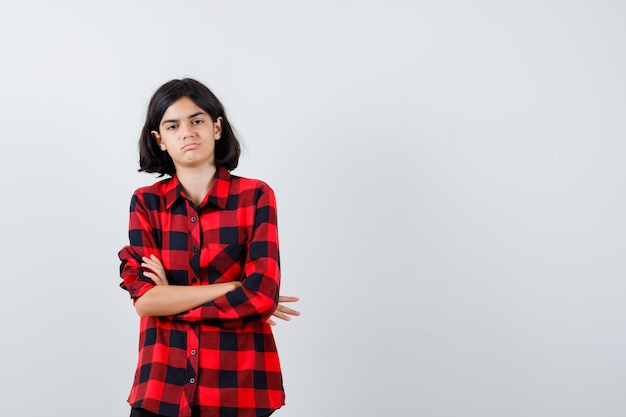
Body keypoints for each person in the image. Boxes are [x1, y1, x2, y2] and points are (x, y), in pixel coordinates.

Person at [118, 78, 299, 417]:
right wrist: (232, 288)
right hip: (161, 388)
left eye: (197, 120)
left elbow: (260, 297)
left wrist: (169, 297)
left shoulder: (256, 197)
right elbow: (145, 301)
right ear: (159, 140)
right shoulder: (146, 204)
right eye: (173, 125)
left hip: (241, 389)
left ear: (217, 128)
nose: (187, 132)